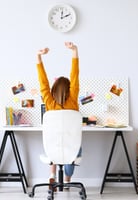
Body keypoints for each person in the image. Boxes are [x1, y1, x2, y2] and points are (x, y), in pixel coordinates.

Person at [36, 42, 82, 187]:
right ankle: (67, 181)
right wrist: (74, 51)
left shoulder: (49, 101)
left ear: (54, 90)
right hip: (71, 149)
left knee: (54, 143)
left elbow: (43, 82)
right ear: (70, 90)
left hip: (53, 148)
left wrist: (38, 56)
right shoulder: (73, 100)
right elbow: (75, 76)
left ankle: (52, 175)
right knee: (74, 147)